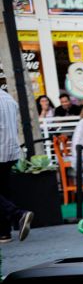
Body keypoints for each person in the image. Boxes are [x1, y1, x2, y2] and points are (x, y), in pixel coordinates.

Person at [0, 88, 33, 242]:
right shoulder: (8, 98)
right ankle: (4, 233)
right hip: (11, 151)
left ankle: (18, 214)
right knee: (3, 190)